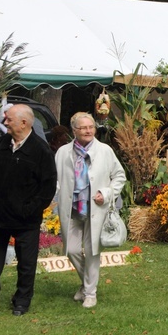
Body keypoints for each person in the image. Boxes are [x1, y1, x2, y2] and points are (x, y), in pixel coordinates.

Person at [0, 104, 57, 316]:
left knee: (26, 263)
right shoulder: (0, 144)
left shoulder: (41, 150)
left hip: (25, 219)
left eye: (9, 119)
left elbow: (47, 188)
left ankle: (22, 301)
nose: (4, 122)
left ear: (24, 123)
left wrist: (28, 209)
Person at [55, 112, 126, 308]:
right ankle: (86, 284)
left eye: (91, 127)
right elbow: (56, 180)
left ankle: (90, 293)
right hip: (72, 209)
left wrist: (106, 193)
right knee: (71, 249)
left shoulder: (105, 151)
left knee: (93, 251)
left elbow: (119, 176)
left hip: (96, 209)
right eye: (83, 128)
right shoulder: (63, 152)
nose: (88, 131)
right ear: (74, 130)